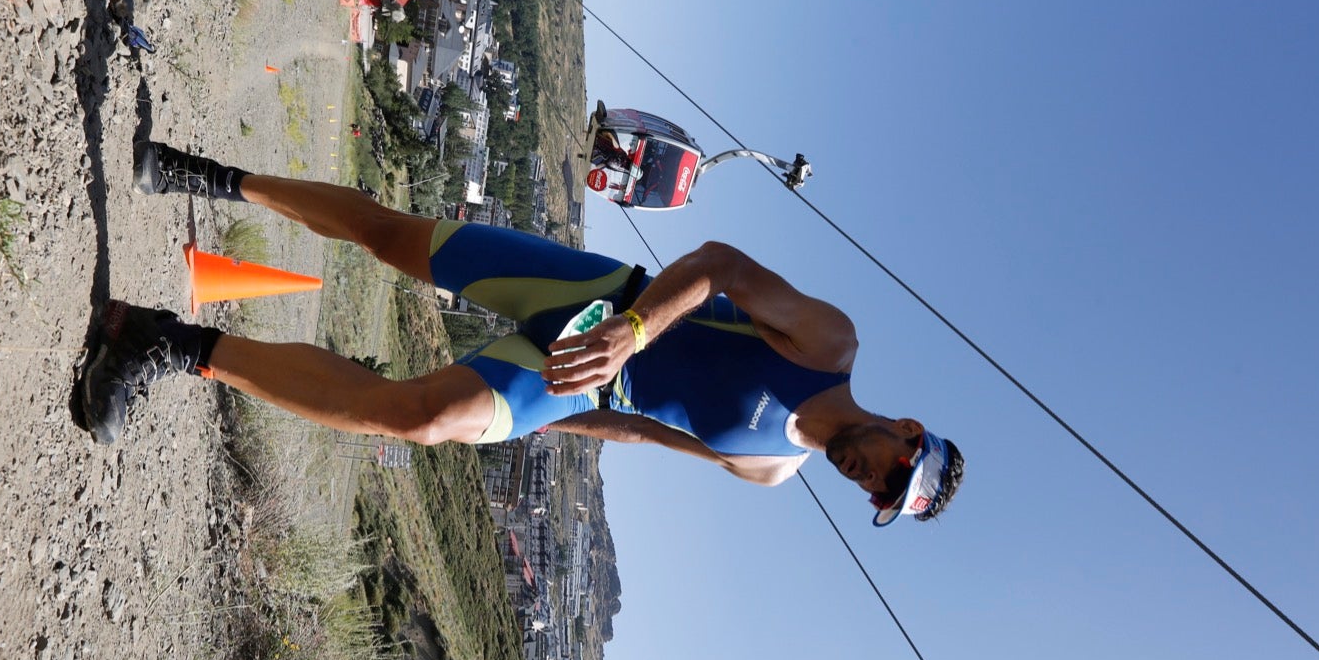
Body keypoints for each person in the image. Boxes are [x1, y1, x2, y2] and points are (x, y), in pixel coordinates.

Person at [80, 143, 964, 526]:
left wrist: (552, 413)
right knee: (391, 237)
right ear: (908, 433)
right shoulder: (832, 346)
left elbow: (644, 428)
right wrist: (631, 329)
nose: (867, 481)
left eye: (877, 499)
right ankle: (213, 177)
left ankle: (166, 344)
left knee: (415, 419)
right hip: (598, 296)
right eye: (892, 472)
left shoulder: (770, 469)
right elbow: (722, 265)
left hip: (577, 380)